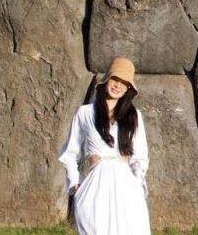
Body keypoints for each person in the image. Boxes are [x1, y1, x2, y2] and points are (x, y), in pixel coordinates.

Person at [59, 57, 151, 235]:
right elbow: (70, 153)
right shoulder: (85, 113)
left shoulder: (134, 116)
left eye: (124, 83)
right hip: (95, 184)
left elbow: (140, 156)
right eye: (115, 79)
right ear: (107, 80)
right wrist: (75, 186)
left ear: (129, 89)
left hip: (127, 185)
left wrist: (138, 184)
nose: (118, 85)